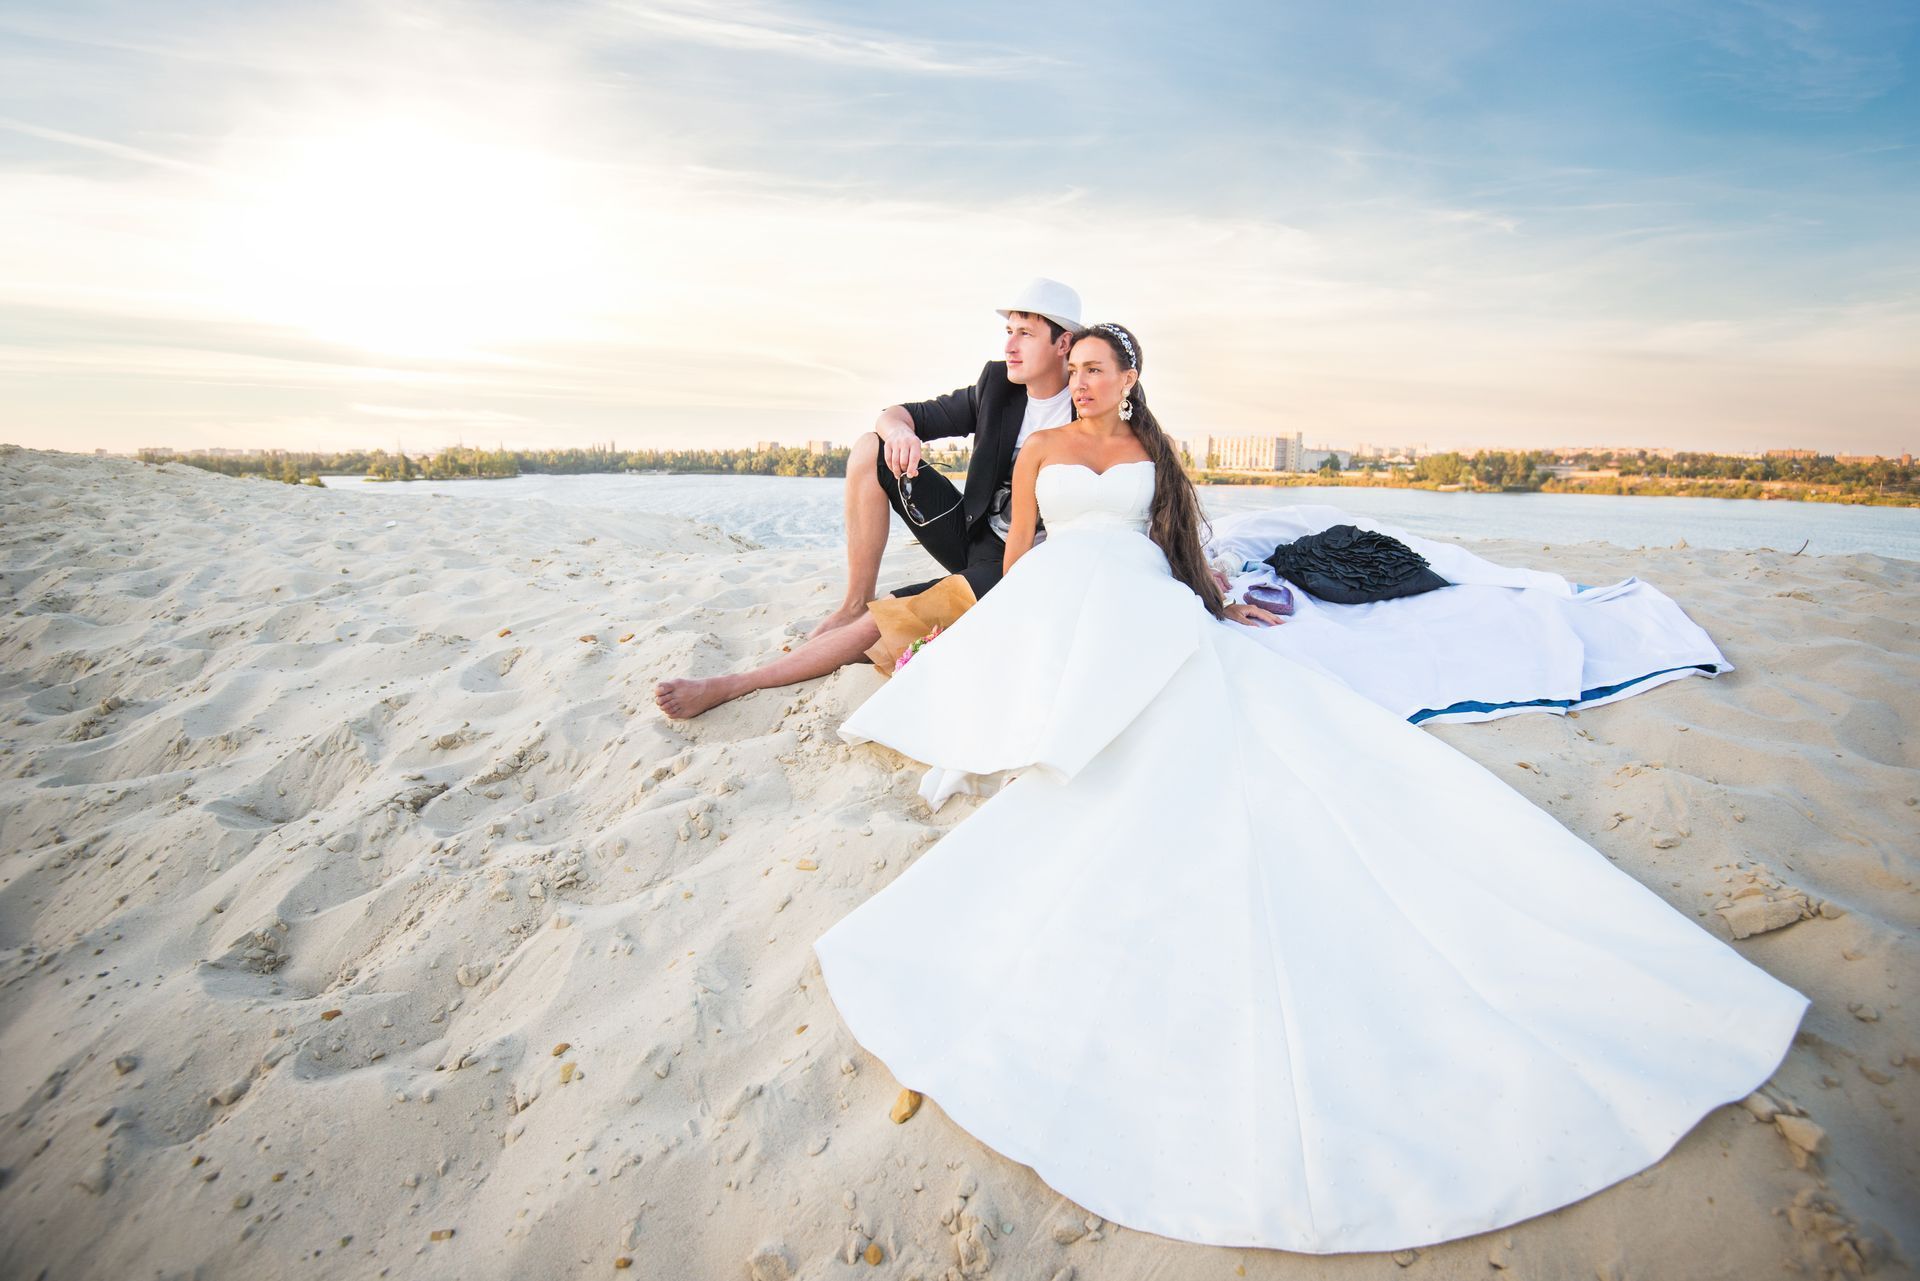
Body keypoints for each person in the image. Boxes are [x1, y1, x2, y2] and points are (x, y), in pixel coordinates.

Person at [811, 323, 1809, 1254]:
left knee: (1215, 712)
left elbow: (1177, 545)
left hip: (1148, 601)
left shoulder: (1155, 458)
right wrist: (1005, 634)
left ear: (1127, 382)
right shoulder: (1039, 454)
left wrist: (1218, 599)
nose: (1076, 381)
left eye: (1092, 369)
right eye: (1069, 369)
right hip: (1068, 595)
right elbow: (1021, 552)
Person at [652, 278, 1089, 720]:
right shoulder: (998, 386)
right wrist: (900, 433)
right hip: (973, 535)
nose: (1010, 346)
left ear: (1063, 343)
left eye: (1025, 334)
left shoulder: (1092, 400)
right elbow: (895, 415)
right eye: (1008, 332)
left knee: (881, 623)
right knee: (870, 447)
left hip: (1020, 566)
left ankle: (732, 685)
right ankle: (854, 599)